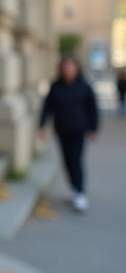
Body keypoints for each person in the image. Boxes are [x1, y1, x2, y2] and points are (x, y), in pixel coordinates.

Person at [39, 56, 100, 213]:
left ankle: (80, 193)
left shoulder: (84, 87)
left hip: (79, 130)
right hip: (61, 129)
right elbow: (47, 107)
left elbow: (93, 109)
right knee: (66, 159)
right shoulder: (55, 86)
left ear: (76, 69)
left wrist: (94, 129)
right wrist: (42, 126)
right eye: (65, 67)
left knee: (76, 160)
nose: (68, 70)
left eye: (71, 67)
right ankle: (73, 187)